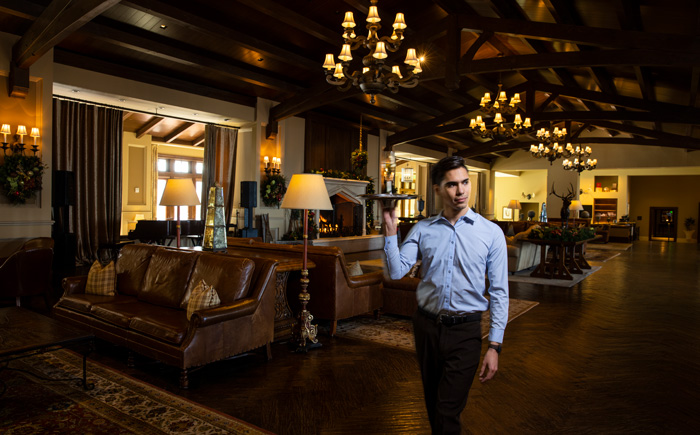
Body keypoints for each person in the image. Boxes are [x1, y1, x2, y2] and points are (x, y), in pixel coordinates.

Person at [383, 155, 509, 435]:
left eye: (465, 182)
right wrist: (391, 231)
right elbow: (396, 271)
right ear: (438, 189)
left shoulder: (491, 233)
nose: (461, 190)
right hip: (426, 326)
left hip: (466, 331)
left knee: (447, 409)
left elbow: (500, 291)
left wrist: (495, 346)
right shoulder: (422, 229)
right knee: (433, 404)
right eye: (452, 185)